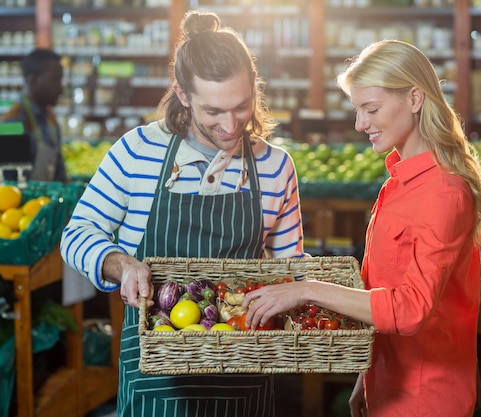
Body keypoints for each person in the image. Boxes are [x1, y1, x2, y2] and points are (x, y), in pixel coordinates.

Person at [60, 11, 305, 417]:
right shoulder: (137, 151)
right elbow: (77, 233)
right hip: (154, 383)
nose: (230, 125)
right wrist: (119, 264)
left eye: (242, 107)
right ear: (183, 93)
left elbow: (288, 266)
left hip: (242, 377)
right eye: (213, 112)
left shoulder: (275, 166)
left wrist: (308, 283)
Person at [243, 40, 481, 417]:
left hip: (427, 397)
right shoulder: (398, 181)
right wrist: (369, 370)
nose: (360, 124)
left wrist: (308, 290)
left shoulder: (445, 193)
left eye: (371, 109)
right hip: (388, 382)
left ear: (414, 98)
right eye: (358, 110)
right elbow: (383, 291)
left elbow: (410, 310)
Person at [0, 48, 67, 182]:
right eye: (56, 79)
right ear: (34, 80)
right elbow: (10, 183)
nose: (61, 87)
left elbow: (60, 174)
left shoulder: (50, 119)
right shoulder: (12, 123)